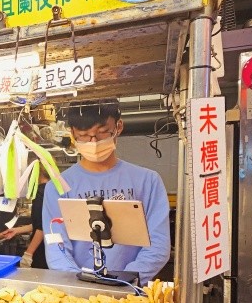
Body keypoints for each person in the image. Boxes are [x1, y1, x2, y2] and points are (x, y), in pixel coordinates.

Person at [42, 102, 171, 284]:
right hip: (79, 290)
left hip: (131, 290)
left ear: (118, 126)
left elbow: (158, 244)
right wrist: (77, 285)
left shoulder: (148, 181)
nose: (93, 142)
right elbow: (56, 244)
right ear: (72, 134)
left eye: (102, 132)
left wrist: (126, 281)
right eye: (84, 136)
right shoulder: (58, 186)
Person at [0, 167, 50, 269]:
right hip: (52, 250)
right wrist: (17, 230)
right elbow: (43, 222)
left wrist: (28, 254)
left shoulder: (40, 193)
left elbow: (41, 227)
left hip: (42, 251)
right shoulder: (52, 190)